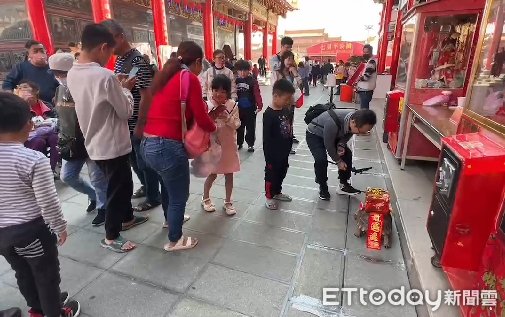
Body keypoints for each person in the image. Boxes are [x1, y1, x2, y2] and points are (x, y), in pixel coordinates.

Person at [67, 23, 148, 253]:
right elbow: (126, 111)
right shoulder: (105, 76)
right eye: (109, 52)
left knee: (120, 183)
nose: (110, 57)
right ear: (103, 46)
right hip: (112, 145)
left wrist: (116, 85)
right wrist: (124, 88)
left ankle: (128, 218)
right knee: (118, 190)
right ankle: (111, 236)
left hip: (93, 141)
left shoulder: (73, 72)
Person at [0, 92, 81, 317]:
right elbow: (48, 201)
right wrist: (60, 226)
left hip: (3, 236)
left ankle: (36, 310)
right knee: (46, 276)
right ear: (27, 124)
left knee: (22, 273)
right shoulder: (32, 159)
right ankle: (54, 312)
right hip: (30, 232)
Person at [140, 41, 217, 251]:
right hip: (167, 146)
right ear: (198, 61)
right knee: (178, 196)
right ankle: (175, 240)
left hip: (147, 143)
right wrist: (214, 127)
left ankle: (169, 220)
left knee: (167, 184)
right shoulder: (188, 78)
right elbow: (201, 116)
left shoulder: (164, 76)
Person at [100, 19, 161, 212]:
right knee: (134, 160)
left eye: (109, 40)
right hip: (125, 120)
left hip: (137, 121)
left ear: (121, 37)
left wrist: (141, 124)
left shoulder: (136, 60)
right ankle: (146, 186)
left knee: (144, 162)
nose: (107, 46)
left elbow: (146, 94)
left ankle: (154, 196)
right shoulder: (119, 59)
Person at [48, 52, 108, 225]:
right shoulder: (59, 90)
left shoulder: (86, 87)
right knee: (68, 176)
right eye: (55, 73)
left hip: (90, 139)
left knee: (97, 177)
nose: (58, 77)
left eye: (61, 73)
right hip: (70, 142)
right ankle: (94, 197)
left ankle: (104, 208)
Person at [306, 109, 377, 200]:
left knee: (346, 154)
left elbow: (348, 134)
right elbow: (329, 145)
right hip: (315, 135)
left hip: (334, 135)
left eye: (364, 132)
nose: (360, 134)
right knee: (321, 160)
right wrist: (338, 161)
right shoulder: (332, 122)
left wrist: (341, 144)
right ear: (353, 121)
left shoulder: (355, 119)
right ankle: (322, 186)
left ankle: (343, 185)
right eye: (360, 131)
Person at [201, 75, 241, 216]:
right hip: (213, 146)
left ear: (228, 92)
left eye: (223, 91)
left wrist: (227, 118)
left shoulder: (233, 105)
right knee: (212, 174)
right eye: (215, 90)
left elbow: (237, 124)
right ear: (211, 90)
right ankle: (205, 198)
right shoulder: (207, 105)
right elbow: (202, 126)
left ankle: (228, 201)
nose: (218, 93)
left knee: (229, 174)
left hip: (229, 145)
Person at [263, 79, 295, 210]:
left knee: (282, 171)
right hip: (273, 153)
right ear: (275, 96)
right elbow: (266, 138)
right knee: (272, 174)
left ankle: (277, 191)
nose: (288, 102)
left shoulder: (285, 110)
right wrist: (269, 157)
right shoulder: (269, 114)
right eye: (286, 99)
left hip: (284, 151)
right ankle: (269, 196)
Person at [16, 80, 60, 176]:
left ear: (36, 91)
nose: (22, 89)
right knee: (39, 141)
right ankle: (34, 171)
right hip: (29, 136)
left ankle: (51, 170)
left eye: (25, 87)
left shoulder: (47, 105)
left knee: (55, 138)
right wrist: (24, 105)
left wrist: (49, 122)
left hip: (48, 133)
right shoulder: (18, 107)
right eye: (20, 87)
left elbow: (58, 120)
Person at [2, 40, 59, 104]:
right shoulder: (20, 68)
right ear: (28, 54)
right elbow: (7, 83)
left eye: (41, 50)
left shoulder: (53, 67)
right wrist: (12, 98)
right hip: (29, 106)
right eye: (35, 51)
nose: (39, 53)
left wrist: (58, 97)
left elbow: (61, 85)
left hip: (51, 106)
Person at [235, 59, 263, 152]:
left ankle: (250, 144)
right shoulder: (236, 81)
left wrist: (260, 105)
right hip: (238, 108)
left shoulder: (253, 81)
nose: (242, 73)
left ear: (249, 70)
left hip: (251, 108)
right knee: (239, 126)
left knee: (251, 127)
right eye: (240, 70)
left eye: (245, 70)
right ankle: (239, 143)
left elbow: (257, 94)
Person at [277, 51, 301, 154]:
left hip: (291, 103)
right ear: (283, 60)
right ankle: (279, 145)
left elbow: (300, 85)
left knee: (289, 125)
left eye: (292, 59)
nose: (290, 61)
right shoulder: (278, 72)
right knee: (281, 125)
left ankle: (288, 146)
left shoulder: (293, 72)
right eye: (288, 59)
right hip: (281, 104)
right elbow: (276, 88)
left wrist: (295, 73)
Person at [356, 44, 377, 109]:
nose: (365, 54)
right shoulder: (368, 62)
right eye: (364, 52)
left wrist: (358, 78)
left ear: (371, 52)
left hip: (366, 90)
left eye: (367, 52)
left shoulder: (371, 62)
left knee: (363, 111)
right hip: (365, 90)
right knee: (364, 110)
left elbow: (366, 77)